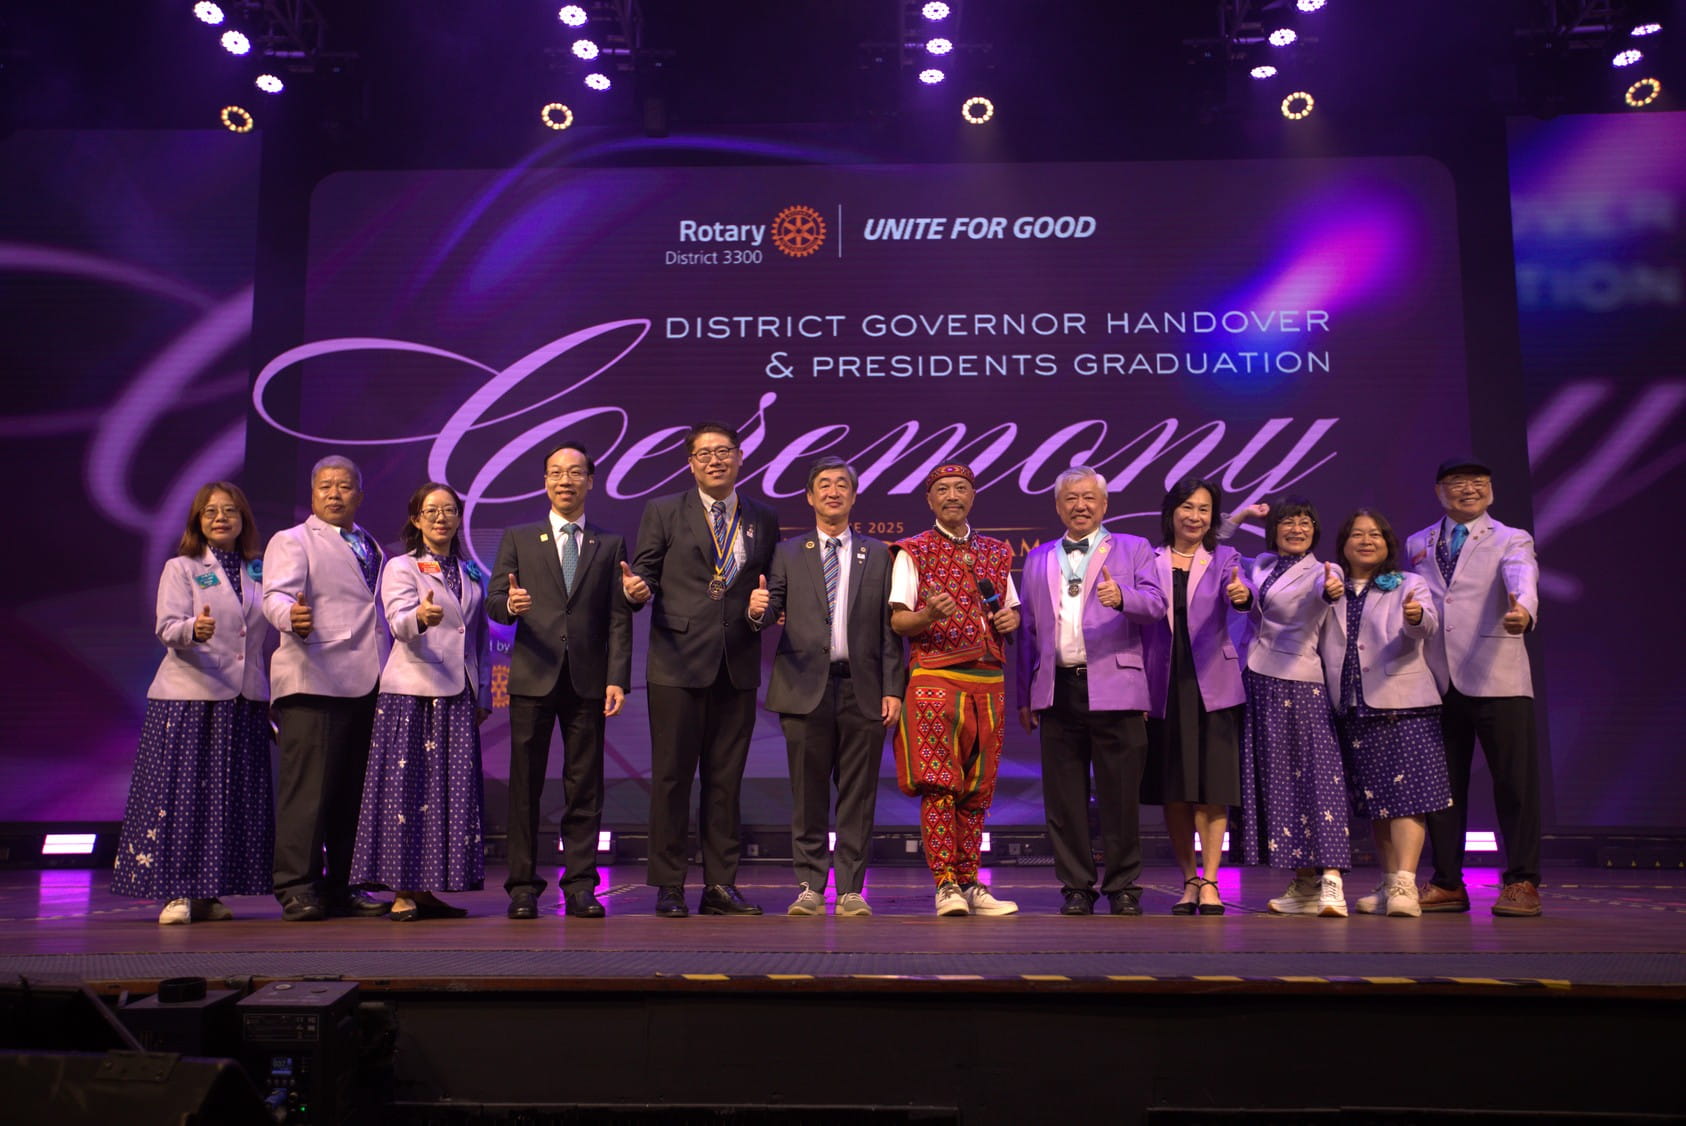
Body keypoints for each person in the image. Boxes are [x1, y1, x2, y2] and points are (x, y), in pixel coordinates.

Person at [626, 422, 779, 917]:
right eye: (704, 453)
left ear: (740, 457)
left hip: (737, 664)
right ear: (690, 463)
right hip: (677, 662)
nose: (715, 460)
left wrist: (762, 611)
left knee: (725, 781)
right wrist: (637, 589)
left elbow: (771, 589)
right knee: (671, 779)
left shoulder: (762, 517)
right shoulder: (664, 511)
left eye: (724, 451)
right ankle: (669, 885)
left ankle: (720, 885)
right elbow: (645, 571)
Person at [749, 457, 905, 917]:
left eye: (842, 485)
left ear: (854, 497)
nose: (833, 492)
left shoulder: (879, 554)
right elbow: (769, 610)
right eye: (824, 485)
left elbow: (890, 629)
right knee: (808, 794)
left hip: (864, 689)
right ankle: (811, 887)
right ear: (810, 497)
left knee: (858, 795)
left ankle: (852, 889)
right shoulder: (787, 552)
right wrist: (757, 610)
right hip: (803, 689)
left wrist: (893, 688)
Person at [111, 483, 272, 924]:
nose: (221, 518)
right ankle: (176, 891)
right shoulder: (181, 568)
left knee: (225, 801)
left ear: (243, 519)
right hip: (190, 698)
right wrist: (191, 631)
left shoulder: (258, 569)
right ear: (197, 521)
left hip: (242, 699)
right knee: (181, 799)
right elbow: (166, 627)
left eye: (230, 511)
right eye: (210, 512)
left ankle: (208, 892)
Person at [488, 443, 634, 920]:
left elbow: (618, 618)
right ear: (545, 482)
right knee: (525, 787)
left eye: (574, 473)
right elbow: (494, 602)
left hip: (588, 680)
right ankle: (522, 888)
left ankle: (580, 885)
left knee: (584, 787)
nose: (564, 480)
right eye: (555, 472)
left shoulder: (609, 544)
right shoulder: (519, 537)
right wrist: (510, 606)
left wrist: (617, 678)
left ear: (590, 481)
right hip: (533, 676)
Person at [1015, 467, 1165, 916]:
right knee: (1064, 798)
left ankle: (1123, 886)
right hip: (1058, 688)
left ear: (1104, 505)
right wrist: (1026, 695)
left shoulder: (1134, 548)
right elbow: (1027, 631)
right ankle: (1076, 886)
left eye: (1088, 498)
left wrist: (1124, 597)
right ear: (1058, 506)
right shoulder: (1038, 558)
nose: (1080, 505)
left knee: (1120, 795)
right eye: (1070, 498)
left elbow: (1157, 605)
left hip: (1117, 686)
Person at [1405, 458, 1543, 916]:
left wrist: (1523, 609)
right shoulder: (1418, 542)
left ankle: (1522, 880)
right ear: (1439, 490)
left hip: (1497, 674)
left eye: (1479, 481)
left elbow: (1521, 574)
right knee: (1444, 788)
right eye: (1459, 482)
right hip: (1438, 678)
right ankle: (1447, 881)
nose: (1470, 489)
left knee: (1514, 784)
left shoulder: (1511, 537)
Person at [351, 483, 491, 921]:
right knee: (406, 793)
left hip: (458, 694)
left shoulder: (469, 571)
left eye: (449, 510)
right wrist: (420, 618)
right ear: (416, 519)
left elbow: (479, 638)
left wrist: (482, 690)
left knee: (446, 793)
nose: (441, 518)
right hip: (412, 694)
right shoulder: (401, 566)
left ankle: (428, 889)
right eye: (431, 511)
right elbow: (396, 622)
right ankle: (402, 892)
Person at [890, 463, 1022, 917]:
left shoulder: (997, 553)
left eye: (960, 488)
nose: (952, 495)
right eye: (942, 489)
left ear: (973, 495)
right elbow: (898, 620)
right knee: (939, 785)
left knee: (978, 789)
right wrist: (928, 615)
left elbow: (1010, 610)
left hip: (989, 680)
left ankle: (970, 881)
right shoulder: (913, 551)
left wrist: (1010, 619)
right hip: (935, 678)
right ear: (929, 499)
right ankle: (945, 884)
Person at [262, 455, 390, 922]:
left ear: (359, 494)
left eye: (344, 486)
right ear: (313, 493)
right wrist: (289, 617)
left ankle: (343, 885)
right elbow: (275, 595)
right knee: (307, 794)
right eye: (325, 486)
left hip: (367, 681)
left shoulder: (370, 544)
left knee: (350, 793)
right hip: (314, 678)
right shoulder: (293, 540)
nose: (335, 493)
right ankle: (296, 886)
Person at [1321, 508, 1452, 918]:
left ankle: (1406, 883)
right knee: (1376, 802)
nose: (1366, 541)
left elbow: (1426, 625)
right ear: (1343, 543)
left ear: (1388, 543)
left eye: (1375, 534)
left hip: (1403, 705)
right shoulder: (1330, 587)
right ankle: (1389, 879)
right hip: (1352, 708)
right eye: (1357, 534)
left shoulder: (1409, 583)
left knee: (1407, 799)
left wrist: (1416, 618)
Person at [1231, 497, 1350, 917]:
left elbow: (1328, 591)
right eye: (1288, 522)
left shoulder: (1323, 571)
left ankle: (1331, 880)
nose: (1297, 529)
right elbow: (1213, 545)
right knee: (1279, 783)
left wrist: (1332, 591)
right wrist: (1242, 515)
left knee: (1317, 777)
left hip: (1299, 681)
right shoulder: (1262, 564)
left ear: (1315, 530)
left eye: (1305, 522)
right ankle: (1303, 883)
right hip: (1257, 680)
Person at [1140, 477, 1250, 917]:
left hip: (1212, 685)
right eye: (1187, 507)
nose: (1195, 516)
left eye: (1204, 509)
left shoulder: (1225, 557)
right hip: (1163, 686)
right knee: (1175, 790)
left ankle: (1211, 881)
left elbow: (1240, 592)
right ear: (1172, 512)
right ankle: (1188, 879)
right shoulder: (1148, 559)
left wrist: (1241, 595)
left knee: (1212, 788)